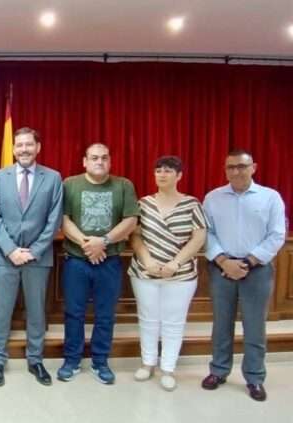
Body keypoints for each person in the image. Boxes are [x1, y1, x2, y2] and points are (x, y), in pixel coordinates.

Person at [201, 149, 286, 402]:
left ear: (254, 168)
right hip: (222, 269)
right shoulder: (213, 198)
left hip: (257, 270)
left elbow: (277, 235)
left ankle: (255, 377)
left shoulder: (270, 197)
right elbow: (206, 233)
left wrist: (248, 262)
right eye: (231, 167)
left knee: (255, 326)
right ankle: (218, 371)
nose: (236, 171)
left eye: (241, 166)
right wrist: (224, 261)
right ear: (225, 170)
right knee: (221, 324)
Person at [57, 143, 138, 385]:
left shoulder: (123, 185)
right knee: (74, 313)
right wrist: (87, 244)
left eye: (104, 158)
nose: (99, 162)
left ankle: (100, 361)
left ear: (110, 161)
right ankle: (71, 360)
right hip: (76, 261)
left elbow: (131, 220)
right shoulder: (70, 184)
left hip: (109, 261)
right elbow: (63, 219)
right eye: (94, 158)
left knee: (105, 315)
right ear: (85, 161)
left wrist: (103, 242)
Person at [0, 127, 63, 387]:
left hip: (38, 258)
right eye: (19, 145)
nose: (24, 149)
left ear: (38, 147)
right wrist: (11, 250)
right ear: (13, 149)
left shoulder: (53, 178)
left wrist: (34, 251)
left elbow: (54, 220)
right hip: (5, 257)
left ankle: (35, 359)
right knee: (2, 310)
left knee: (36, 310)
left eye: (29, 144)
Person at [128, 156, 206, 391]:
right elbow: (135, 236)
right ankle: (148, 363)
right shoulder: (143, 204)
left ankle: (168, 368)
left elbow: (199, 237)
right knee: (148, 319)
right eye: (158, 170)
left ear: (179, 175)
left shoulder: (192, 204)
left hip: (180, 276)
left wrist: (176, 263)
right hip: (145, 272)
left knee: (174, 322)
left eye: (168, 171)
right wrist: (147, 260)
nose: (162, 174)